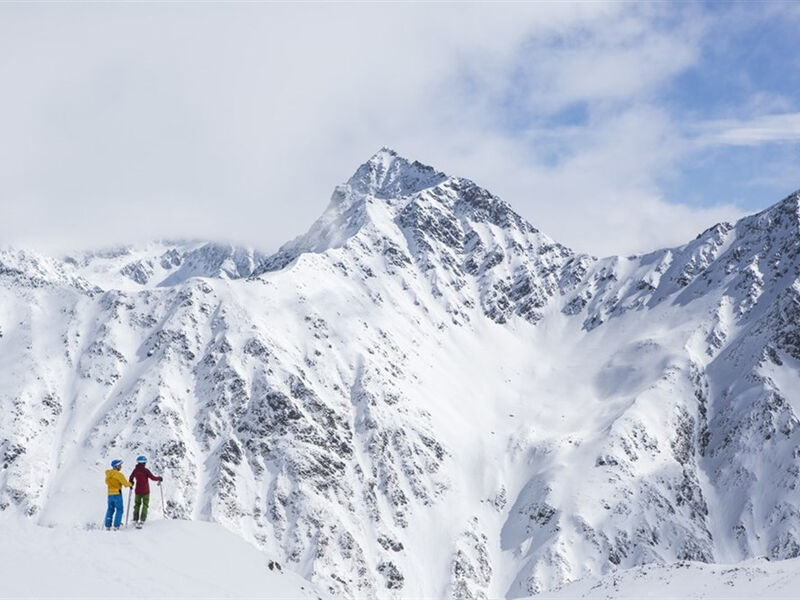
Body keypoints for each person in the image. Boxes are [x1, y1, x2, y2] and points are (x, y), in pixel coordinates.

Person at [129, 455, 163, 529]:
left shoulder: (135, 470)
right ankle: (142, 519)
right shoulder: (146, 470)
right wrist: (159, 478)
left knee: (137, 504)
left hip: (137, 491)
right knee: (145, 505)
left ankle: (135, 518)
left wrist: (131, 483)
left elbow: (131, 477)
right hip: (146, 491)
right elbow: (153, 478)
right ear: (144, 463)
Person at [105, 459, 133, 530]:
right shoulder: (119, 475)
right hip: (117, 494)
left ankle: (107, 525)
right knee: (119, 509)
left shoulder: (108, 474)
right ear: (116, 466)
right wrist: (131, 484)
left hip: (110, 494)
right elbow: (126, 484)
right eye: (120, 465)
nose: (121, 467)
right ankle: (116, 525)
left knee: (110, 509)